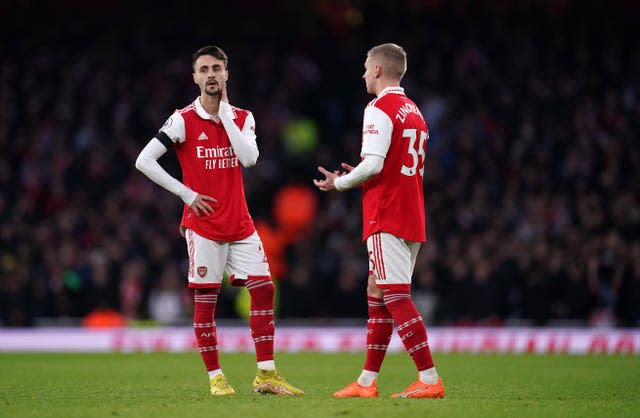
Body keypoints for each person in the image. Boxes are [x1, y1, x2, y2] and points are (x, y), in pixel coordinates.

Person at [135, 45, 303, 397]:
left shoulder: (243, 117)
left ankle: (266, 375)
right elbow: (144, 161)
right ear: (195, 77)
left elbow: (250, 159)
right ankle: (216, 378)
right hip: (204, 225)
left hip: (240, 223)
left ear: (227, 74)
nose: (211, 74)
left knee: (264, 289)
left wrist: (225, 114)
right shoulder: (182, 119)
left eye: (217, 68)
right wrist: (187, 194)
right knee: (206, 301)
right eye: (204, 69)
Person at [314, 43, 445, 399]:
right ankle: (366, 382)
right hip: (410, 213)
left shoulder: (379, 107)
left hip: (386, 213)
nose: (362, 74)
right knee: (377, 291)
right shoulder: (414, 111)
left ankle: (430, 379)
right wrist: (361, 172)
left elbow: (373, 165)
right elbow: (388, 165)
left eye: (365, 67)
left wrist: (339, 183)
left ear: (376, 71)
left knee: (396, 294)